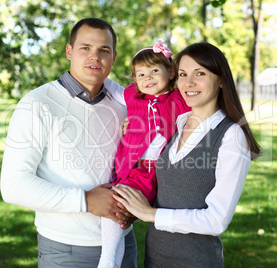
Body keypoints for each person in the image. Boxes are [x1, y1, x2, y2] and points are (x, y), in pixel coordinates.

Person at [0, 18, 137, 268]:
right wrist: (85, 200)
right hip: (66, 250)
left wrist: (136, 204)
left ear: (114, 57)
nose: (95, 57)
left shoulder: (124, 105)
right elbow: (13, 185)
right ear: (69, 51)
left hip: (123, 244)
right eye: (85, 48)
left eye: (104, 50)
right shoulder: (37, 104)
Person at [112, 42, 262, 268]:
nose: (189, 83)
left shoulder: (231, 135)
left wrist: (150, 214)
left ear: (221, 79)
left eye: (199, 73)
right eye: (183, 74)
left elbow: (216, 220)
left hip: (196, 260)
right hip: (154, 257)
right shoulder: (176, 123)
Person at [99, 41, 190, 267]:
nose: (147, 78)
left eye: (154, 71)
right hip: (130, 166)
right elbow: (108, 84)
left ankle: (107, 262)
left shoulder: (179, 99)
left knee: (116, 205)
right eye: (140, 74)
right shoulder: (133, 97)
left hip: (154, 170)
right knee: (117, 213)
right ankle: (111, 262)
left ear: (170, 72)